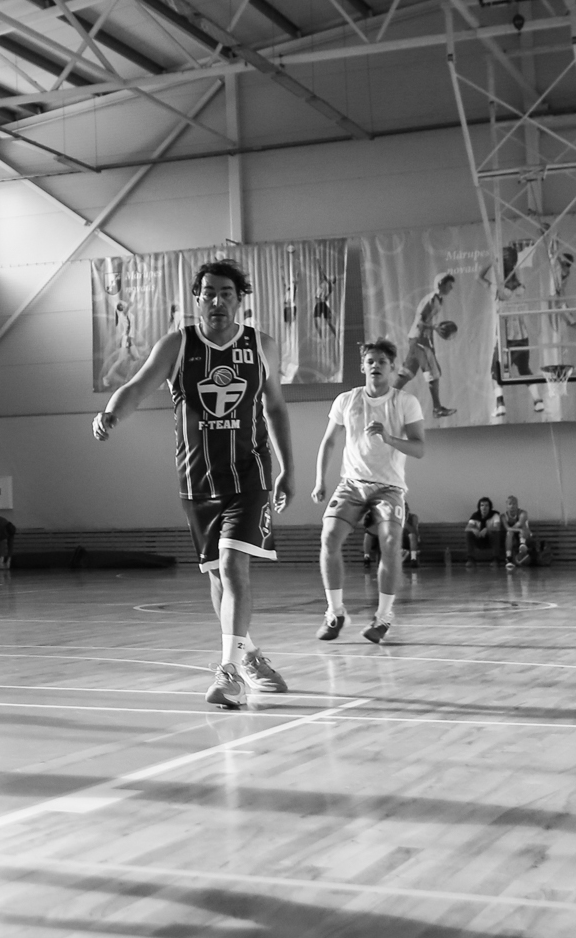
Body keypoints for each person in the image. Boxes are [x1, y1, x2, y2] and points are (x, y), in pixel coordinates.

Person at [94, 260, 294, 710]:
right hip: (197, 478)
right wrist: (111, 413)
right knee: (216, 577)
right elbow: (137, 385)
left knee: (232, 565)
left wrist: (288, 468)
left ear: (240, 299)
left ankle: (229, 673)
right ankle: (250, 654)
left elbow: (276, 408)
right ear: (197, 298)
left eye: (226, 293)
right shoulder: (178, 344)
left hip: (251, 473)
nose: (217, 301)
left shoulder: (262, 346)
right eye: (208, 293)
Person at [311, 340, 424, 645]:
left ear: (392, 367)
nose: (375, 366)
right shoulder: (346, 400)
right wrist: (320, 480)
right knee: (329, 536)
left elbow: (419, 448)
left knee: (389, 541)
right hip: (352, 483)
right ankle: (335, 613)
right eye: (370, 361)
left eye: (382, 362)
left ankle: (384, 616)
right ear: (362, 366)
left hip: (389, 487)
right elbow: (329, 442)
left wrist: (389, 438)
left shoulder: (405, 402)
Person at [400, 273, 459, 418]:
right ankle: (437, 408)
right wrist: (435, 328)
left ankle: (382, 401)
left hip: (421, 339)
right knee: (434, 373)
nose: (451, 288)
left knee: (407, 374)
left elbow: (428, 322)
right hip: (419, 339)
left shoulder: (439, 300)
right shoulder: (430, 300)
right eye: (449, 285)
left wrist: (432, 337)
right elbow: (419, 322)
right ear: (440, 284)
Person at [464, 497, 503, 564]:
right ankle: (470, 559)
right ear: (479, 507)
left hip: (490, 541)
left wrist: (487, 529)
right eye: (482, 505)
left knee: (494, 533)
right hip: (479, 540)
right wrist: (473, 529)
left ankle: (495, 559)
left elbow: (497, 527)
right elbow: (467, 528)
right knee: (469, 533)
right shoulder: (475, 516)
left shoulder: (494, 515)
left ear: (490, 507)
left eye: (486, 505)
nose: (484, 507)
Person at [502, 494, 535, 568]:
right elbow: (507, 528)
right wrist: (518, 530)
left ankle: (522, 544)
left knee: (522, 526)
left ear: (517, 505)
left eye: (514, 503)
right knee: (509, 533)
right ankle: (509, 558)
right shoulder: (503, 516)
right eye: (510, 504)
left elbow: (520, 523)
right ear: (506, 505)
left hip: (527, 536)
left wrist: (519, 530)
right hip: (513, 539)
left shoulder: (523, 513)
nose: (512, 506)